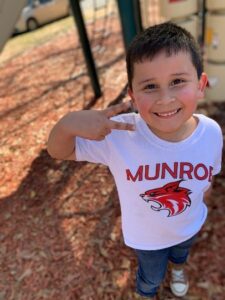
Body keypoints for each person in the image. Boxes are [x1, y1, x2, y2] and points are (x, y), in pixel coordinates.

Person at [47, 22, 223, 299]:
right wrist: (68, 124)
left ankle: (178, 268)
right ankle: (147, 292)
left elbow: (207, 178)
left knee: (181, 254)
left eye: (177, 81)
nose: (165, 98)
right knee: (150, 276)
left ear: (201, 85)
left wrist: (201, 199)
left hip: (189, 224)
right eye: (150, 86)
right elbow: (59, 151)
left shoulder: (212, 132)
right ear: (132, 94)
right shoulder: (119, 134)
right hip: (147, 241)